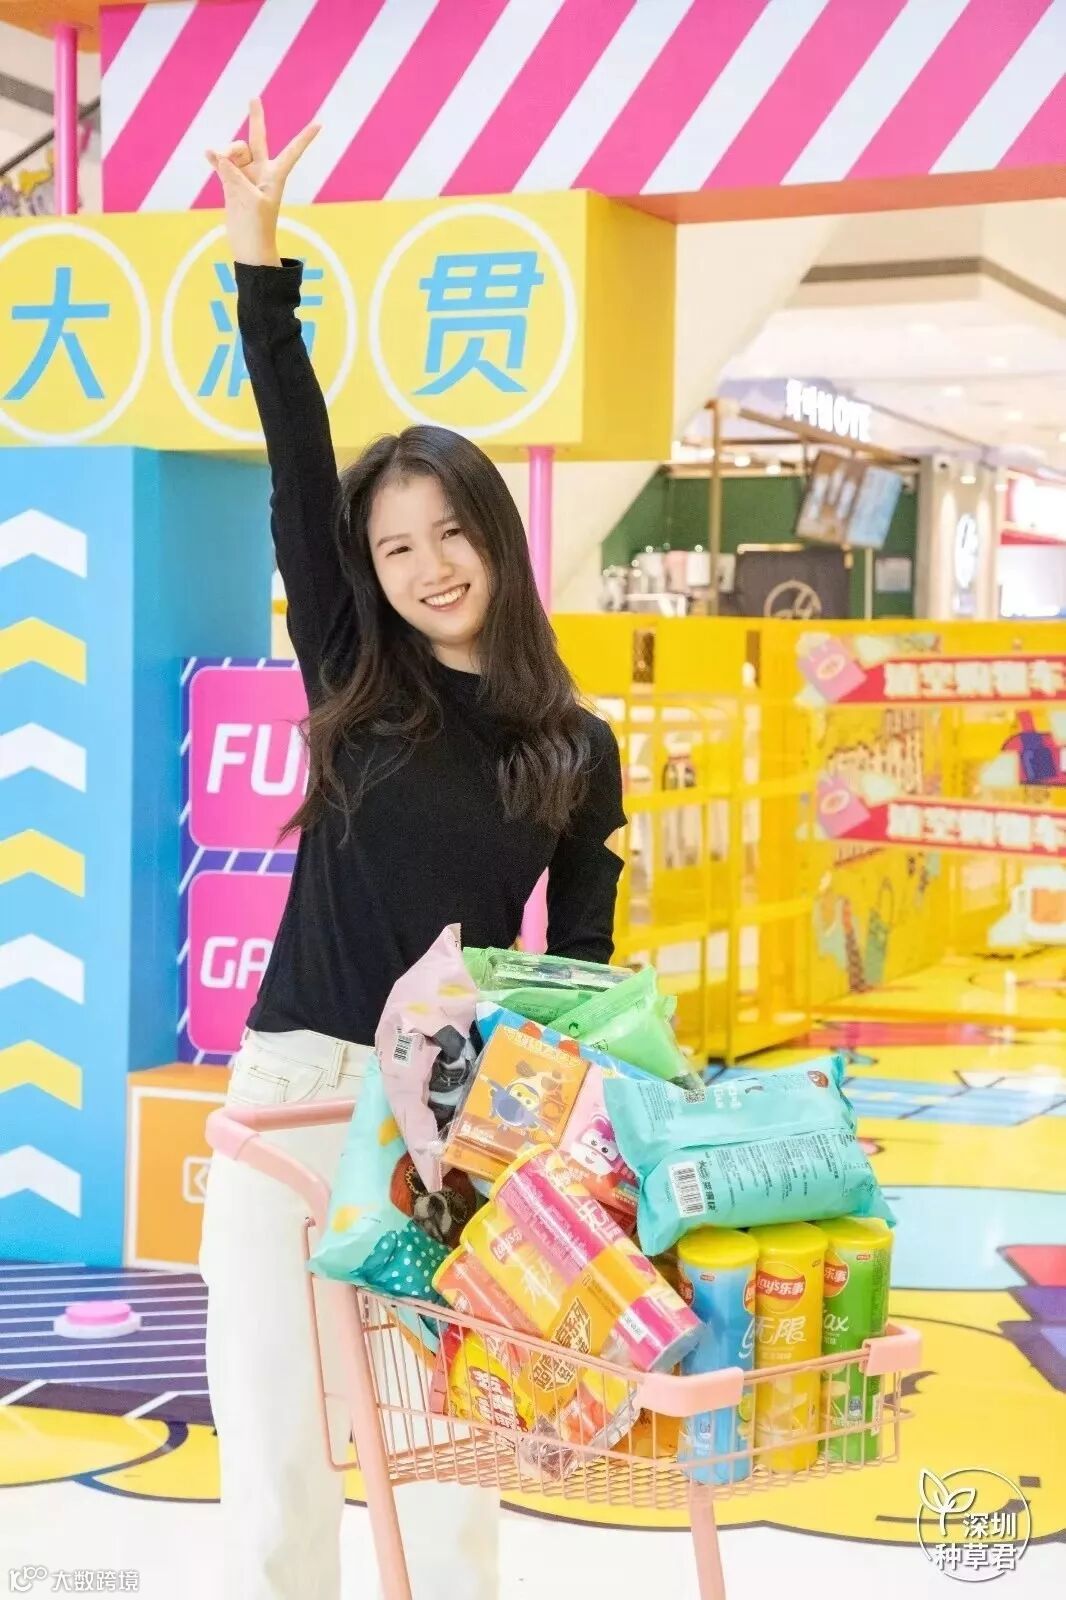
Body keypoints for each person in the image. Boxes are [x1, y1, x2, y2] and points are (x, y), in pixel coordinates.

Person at [198, 100, 626, 1600]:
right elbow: (291, 453)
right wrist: (260, 257)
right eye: (394, 546)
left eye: (451, 532)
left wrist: (551, 1134)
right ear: (366, 572)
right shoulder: (352, 675)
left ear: (495, 536)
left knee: (447, 1459)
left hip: (450, 1124)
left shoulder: (576, 746)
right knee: (273, 1459)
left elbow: (584, 975)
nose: (429, 565)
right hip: (288, 1094)